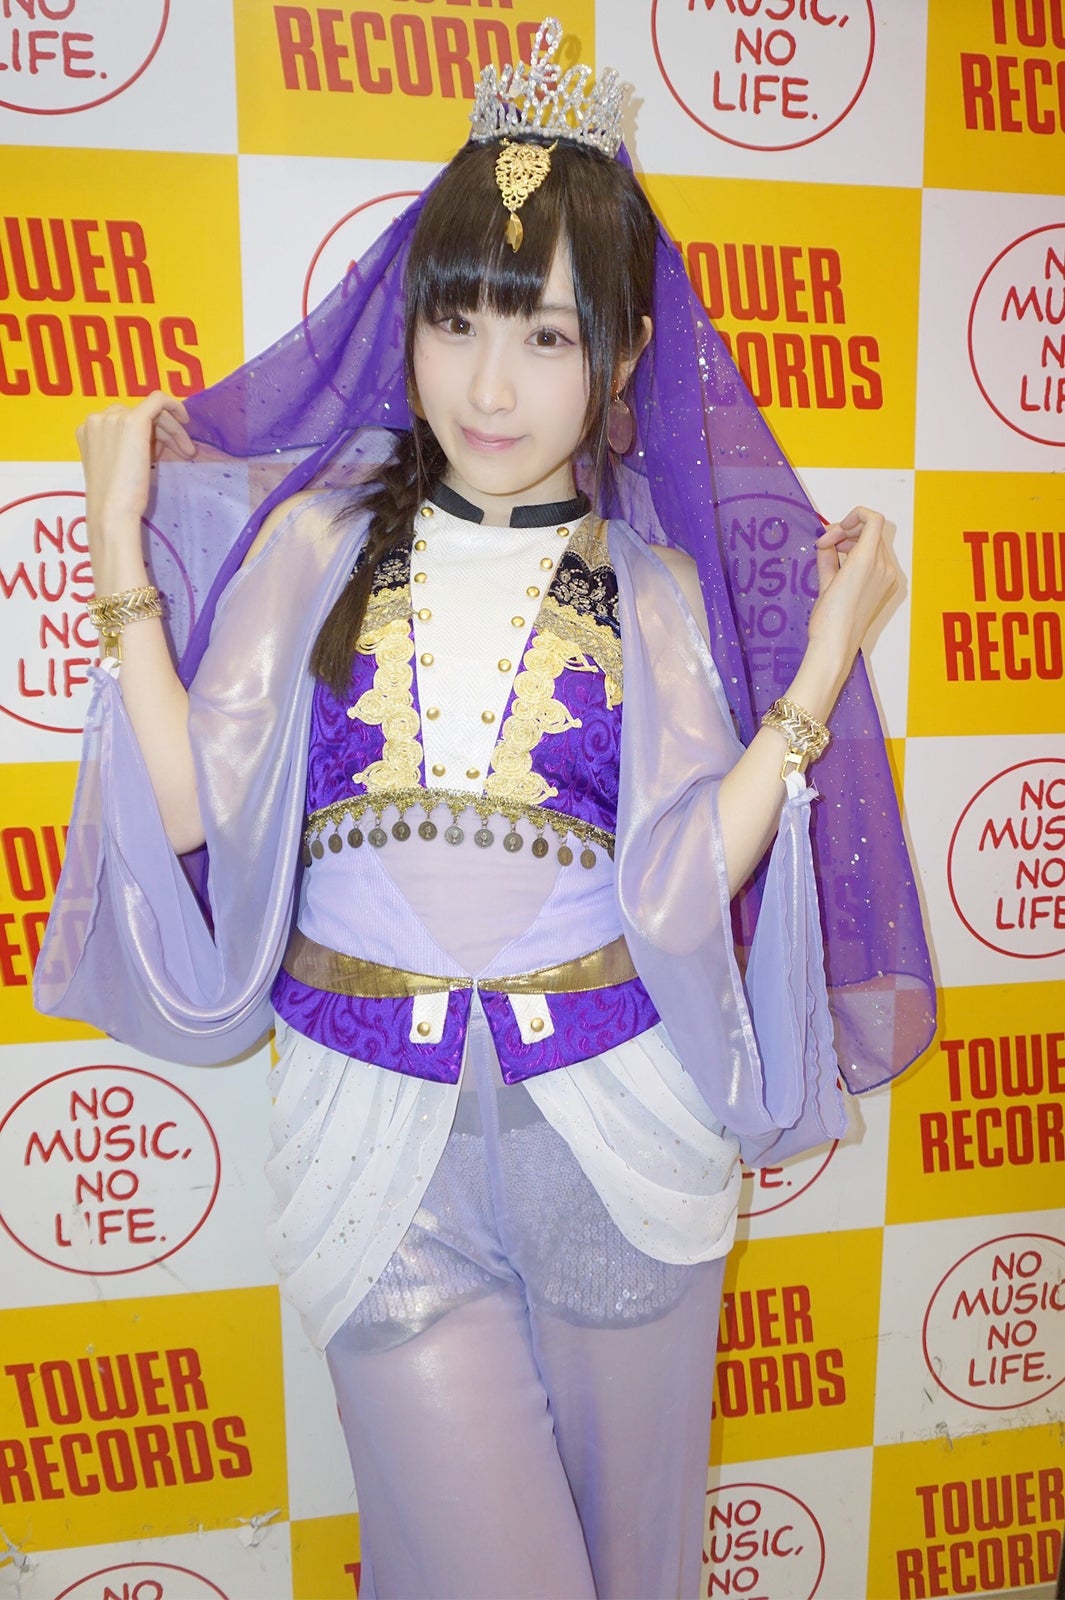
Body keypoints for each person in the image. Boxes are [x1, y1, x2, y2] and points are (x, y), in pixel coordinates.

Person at [35, 21, 934, 1600]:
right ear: (410, 325)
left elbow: (681, 882)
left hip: (620, 1135)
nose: (490, 385)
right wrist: (117, 543)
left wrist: (816, 671)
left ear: (624, 357)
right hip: (367, 1143)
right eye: (455, 323)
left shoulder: (654, 587)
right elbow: (188, 802)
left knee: (633, 1568)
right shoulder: (316, 546)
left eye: (545, 334)